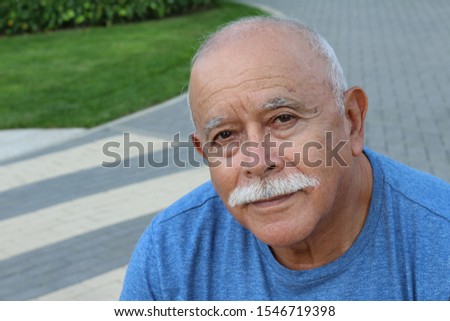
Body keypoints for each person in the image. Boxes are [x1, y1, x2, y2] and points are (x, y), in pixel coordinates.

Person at [120, 16, 450, 300]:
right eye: (225, 136)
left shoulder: (439, 242)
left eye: (283, 119)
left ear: (351, 120)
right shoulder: (170, 254)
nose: (259, 161)